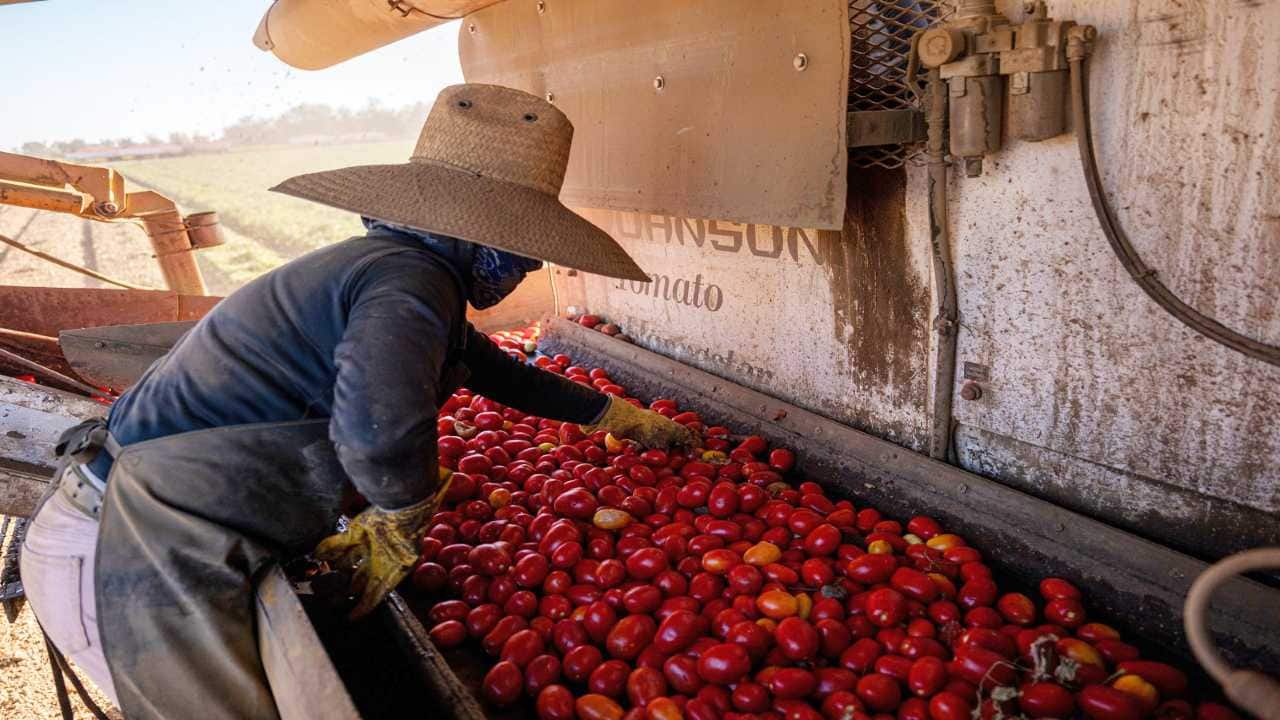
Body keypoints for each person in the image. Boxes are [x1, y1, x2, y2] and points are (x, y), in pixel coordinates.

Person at [20, 83, 692, 720]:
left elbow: (493, 371)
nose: (528, 268)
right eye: (521, 246)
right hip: (127, 551)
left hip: (156, 528)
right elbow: (379, 431)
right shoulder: (410, 282)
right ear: (470, 232)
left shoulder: (390, 271)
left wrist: (609, 415)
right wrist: (403, 511)